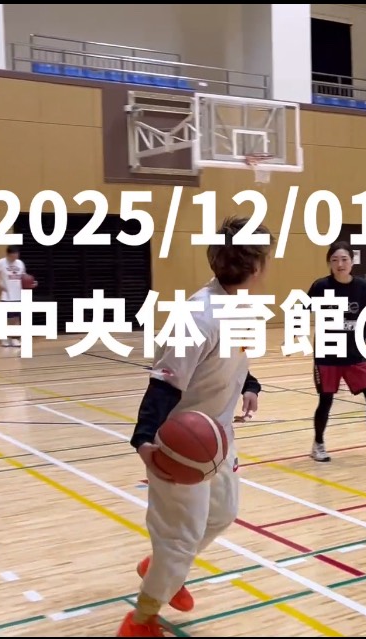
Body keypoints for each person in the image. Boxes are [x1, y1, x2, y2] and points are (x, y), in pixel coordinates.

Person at [117, 216, 269, 638]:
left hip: (216, 440)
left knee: (222, 514)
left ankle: (162, 568)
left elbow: (234, 358)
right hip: (178, 444)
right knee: (180, 538)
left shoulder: (241, 306)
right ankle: (140, 621)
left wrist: (250, 385)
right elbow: (164, 382)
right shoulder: (197, 315)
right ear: (258, 265)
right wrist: (144, 441)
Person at [308, 242, 366, 464]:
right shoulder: (320, 287)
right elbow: (301, 311)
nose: (340, 264)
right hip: (328, 354)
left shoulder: (363, 288)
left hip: (354, 353)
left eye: (344, 259)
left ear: (352, 262)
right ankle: (318, 443)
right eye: (335, 260)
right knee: (326, 400)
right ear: (329, 263)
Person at [0, 245, 28, 347]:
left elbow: (24, 277)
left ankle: (14, 338)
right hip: (6, 296)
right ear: (8, 254)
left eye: (17, 255)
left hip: (18, 295)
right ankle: (4, 338)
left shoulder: (20, 263)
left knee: (16, 318)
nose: (15, 257)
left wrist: (30, 283)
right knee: (5, 319)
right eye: (13, 255)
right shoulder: (0, 263)